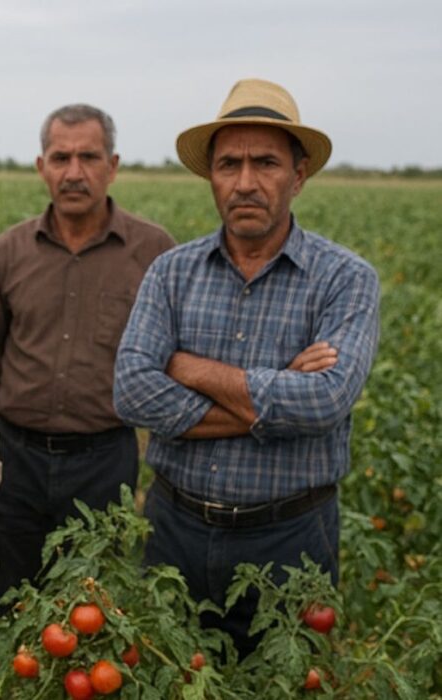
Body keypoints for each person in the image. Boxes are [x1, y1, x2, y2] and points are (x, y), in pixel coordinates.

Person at [114, 78, 380, 656]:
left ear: (299, 173)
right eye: (228, 164)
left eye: (266, 163)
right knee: (170, 678)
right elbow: (132, 392)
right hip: (174, 530)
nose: (245, 182)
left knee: (285, 683)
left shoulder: (345, 278)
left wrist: (186, 367)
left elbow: (326, 400)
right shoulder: (171, 272)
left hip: (292, 537)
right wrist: (276, 389)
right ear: (210, 175)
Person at [0, 104, 174, 623]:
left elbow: (170, 357)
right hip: (15, 461)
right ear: (42, 166)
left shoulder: (153, 252)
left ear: (112, 166)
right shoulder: (10, 252)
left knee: (95, 606)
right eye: (61, 157)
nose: (74, 172)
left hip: (104, 457)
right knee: (14, 604)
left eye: (88, 157)